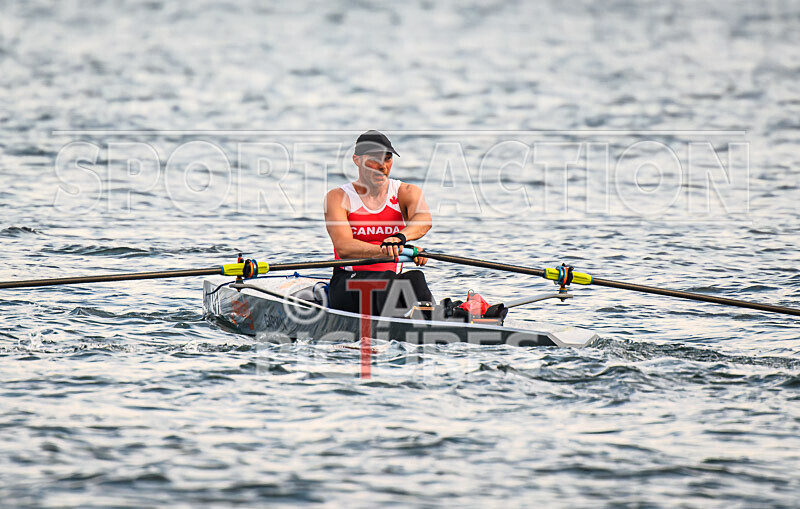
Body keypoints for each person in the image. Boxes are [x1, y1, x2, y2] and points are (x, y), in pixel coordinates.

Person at [324, 130, 434, 316]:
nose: (382, 165)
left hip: (389, 283)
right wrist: (390, 250)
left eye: (388, 158)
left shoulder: (406, 192)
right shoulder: (338, 197)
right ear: (357, 160)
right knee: (388, 280)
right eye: (375, 158)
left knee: (416, 277)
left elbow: (424, 221)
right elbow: (343, 247)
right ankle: (409, 321)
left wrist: (401, 239)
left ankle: (433, 320)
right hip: (347, 282)